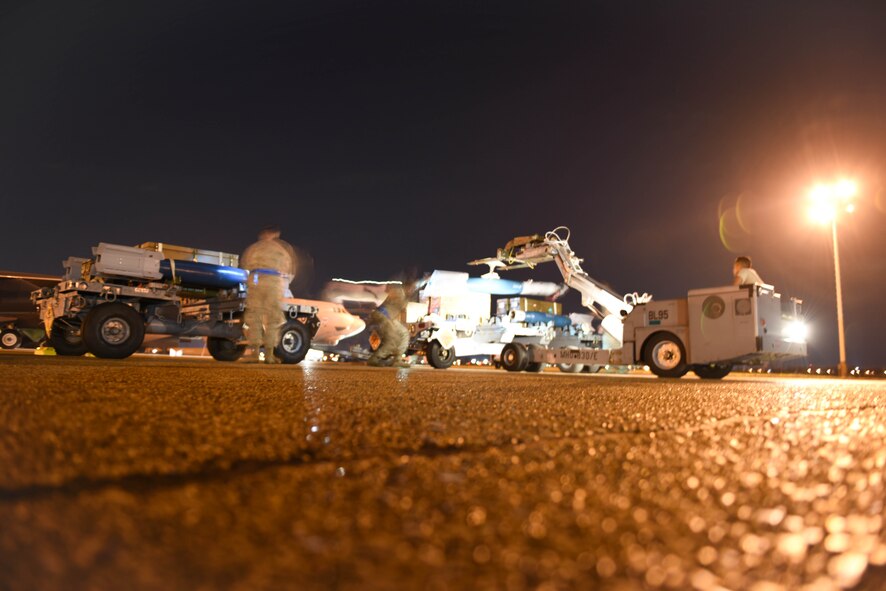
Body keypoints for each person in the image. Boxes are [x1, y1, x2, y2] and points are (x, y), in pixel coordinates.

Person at [241, 226, 296, 363]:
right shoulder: (281, 249)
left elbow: (244, 266)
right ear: (275, 234)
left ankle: (254, 354)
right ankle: (269, 355)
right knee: (273, 319)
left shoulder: (253, 249)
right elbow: (289, 270)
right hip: (273, 285)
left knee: (255, 318)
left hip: (256, 283)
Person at [367, 283, 411, 368]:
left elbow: (400, 310)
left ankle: (397, 360)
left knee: (404, 333)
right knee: (393, 339)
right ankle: (374, 359)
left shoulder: (406, 296)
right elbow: (391, 294)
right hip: (383, 315)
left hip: (389, 318)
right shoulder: (399, 291)